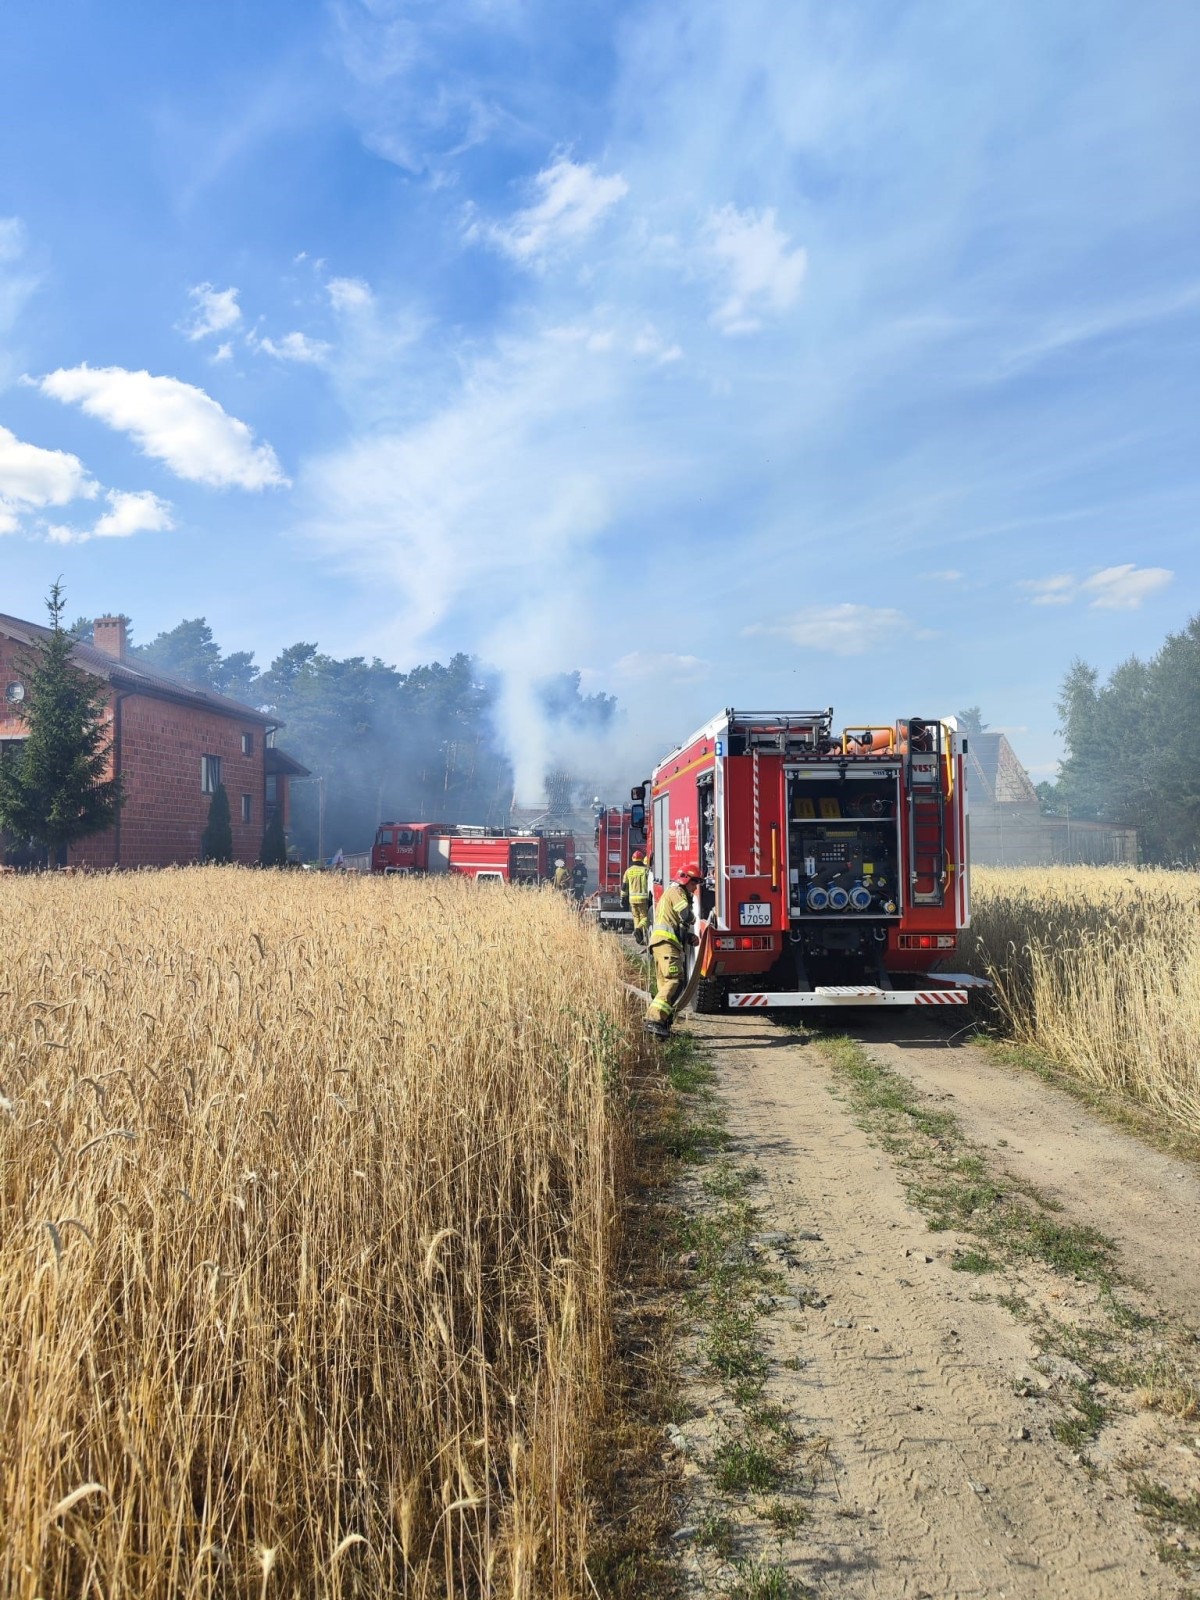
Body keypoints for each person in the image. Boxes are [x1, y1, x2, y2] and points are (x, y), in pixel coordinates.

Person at [644, 863, 700, 1039]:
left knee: (667, 985)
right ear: (685, 880)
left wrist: (689, 937)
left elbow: (677, 923)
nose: (695, 888)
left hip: (663, 944)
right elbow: (685, 915)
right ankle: (653, 1020)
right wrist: (695, 918)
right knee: (674, 980)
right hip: (666, 943)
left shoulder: (673, 893)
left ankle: (662, 1025)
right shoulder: (677, 892)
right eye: (694, 883)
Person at [622, 849, 652, 945]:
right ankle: (639, 929)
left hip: (632, 899)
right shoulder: (645, 870)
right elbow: (650, 884)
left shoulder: (628, 871)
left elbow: (624, 887)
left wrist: (623, 898)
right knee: (645, 917)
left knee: (636, 917)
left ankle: (638, 938)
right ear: (641, 859)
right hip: (643, 898)